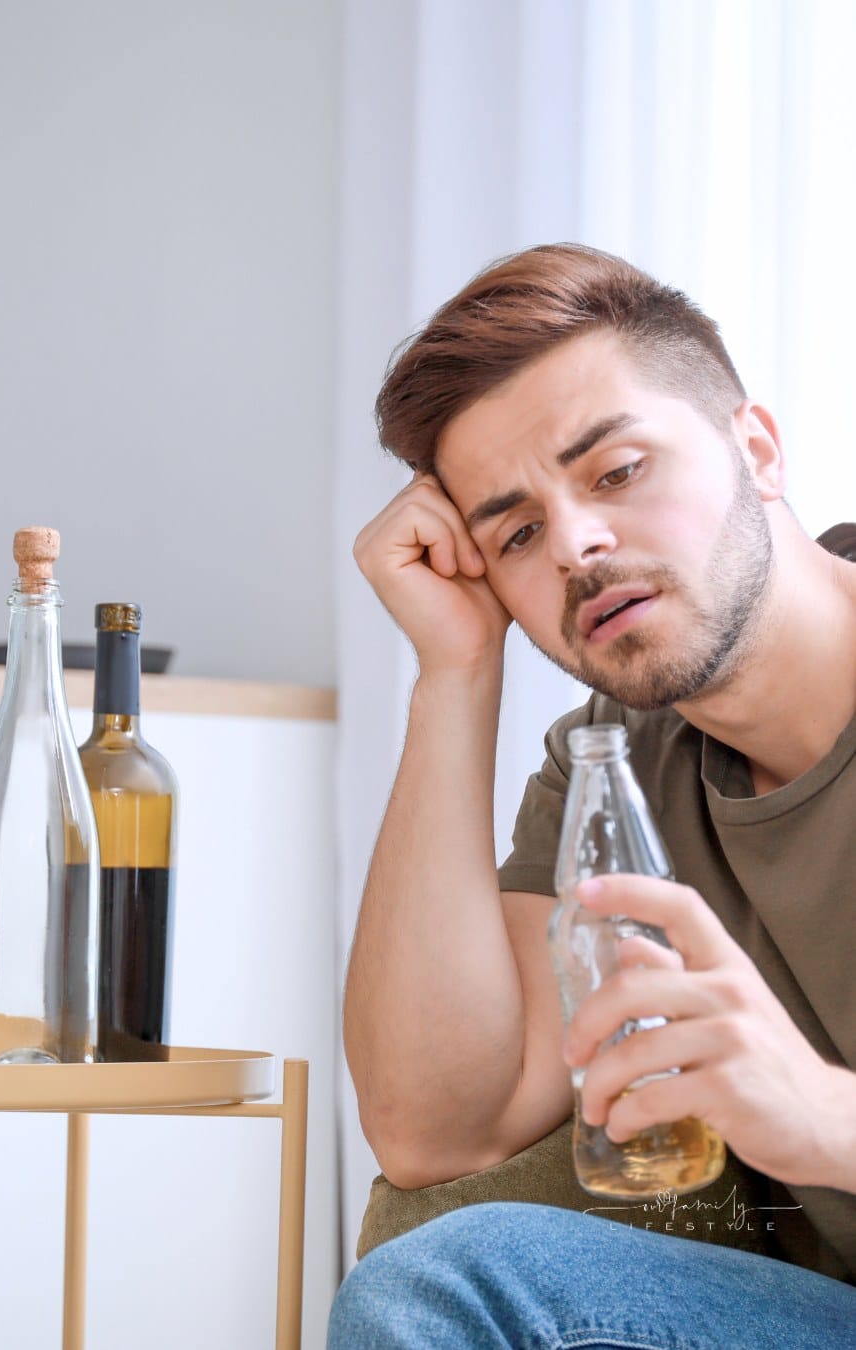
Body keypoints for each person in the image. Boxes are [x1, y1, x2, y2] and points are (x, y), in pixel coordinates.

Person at [328, 244, 856, 1348]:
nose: (575, 545)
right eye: (516, 532)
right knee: (448, 1282)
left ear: (754, 449)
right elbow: (439, 1132)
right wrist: (455, 676)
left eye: (616, 472)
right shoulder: (612, 766)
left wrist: (824, 1119)